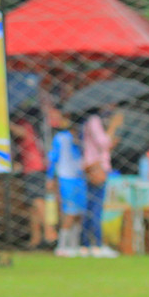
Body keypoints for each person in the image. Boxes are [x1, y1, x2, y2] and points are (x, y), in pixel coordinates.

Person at [80, 107, 124, 257]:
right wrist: (113, 126)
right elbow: (103, 143)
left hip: (92, 167)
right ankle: (96, 245)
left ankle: (86, 245)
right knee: (96, 208)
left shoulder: (88, 122)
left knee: (90, 207)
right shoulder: (94, 120)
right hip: (97, 168)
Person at [10, 108, 52, 249]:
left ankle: (50, 233)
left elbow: (22, 132)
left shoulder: (24, 123)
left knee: (37, 200)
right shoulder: (28, 124)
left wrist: (5, 122)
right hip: (29, 168)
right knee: (31, 205)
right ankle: (36, 238)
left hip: (35, 167)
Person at [46, 106, 85, 257]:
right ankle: (62, 246)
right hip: (66, 178)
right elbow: (53, 158)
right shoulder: (61, 138)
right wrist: (50, 178)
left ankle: (74, 246)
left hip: (80, 178)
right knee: (69, 212)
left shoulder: (82, 139)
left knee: (79, 213)